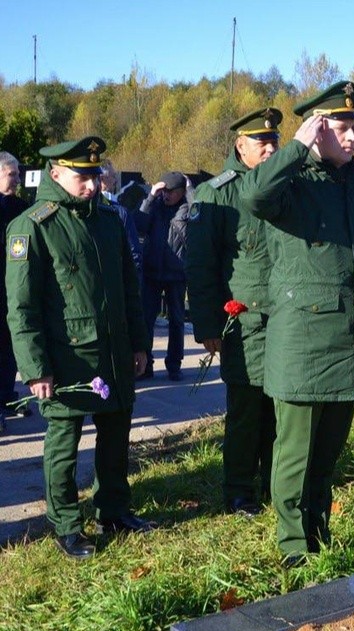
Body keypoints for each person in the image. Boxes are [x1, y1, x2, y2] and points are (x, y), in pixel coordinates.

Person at [239, 81, 354, 565]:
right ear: (316, 129)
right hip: (302, 343)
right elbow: (255, 197)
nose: (351, 137)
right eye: (339, 127)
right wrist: (297, 146)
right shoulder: (292, 185)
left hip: (347, 342)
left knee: (326, 455)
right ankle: (293, 544)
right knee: (295, 454)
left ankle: (317, 533)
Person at [4, 137, 154, 559]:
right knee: (64, 444)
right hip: (67, 358)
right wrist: (36, 369)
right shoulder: (33, 226)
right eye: (81, 176)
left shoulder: (109, 219)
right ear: (55, 175)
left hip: (113, 352)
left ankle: (114, 510)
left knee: (115, 436)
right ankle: (67, 524)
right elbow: (22, 307)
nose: (92, 184)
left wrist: (140, 343)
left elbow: (129, 289)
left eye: (94, 174)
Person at [186, 107, 282, 517]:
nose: (270, 147)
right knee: (246, 411)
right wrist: (209, 325)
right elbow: (202, 267)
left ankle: (276, 482)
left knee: (281, 408)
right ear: (240, 145)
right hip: (244, 322)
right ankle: (240, 490)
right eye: (262, 142)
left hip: (285, 319)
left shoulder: (283, 186)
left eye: (275, 140)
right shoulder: (216, 194)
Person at [136, 170, 192, 381]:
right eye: (164, 191)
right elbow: (139, 224)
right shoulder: (155, 207)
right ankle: (146, 364)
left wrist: (190, 189)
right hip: (152, 272)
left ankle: (174, 364)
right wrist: (151, 197)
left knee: (176, 321)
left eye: (171, 191)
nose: (166, 195)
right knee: (146, 319)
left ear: (180, 192)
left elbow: (201, 213)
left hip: (176, 273)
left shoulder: (187, 209)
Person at [0, 151, 30, 431]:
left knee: (9, 347)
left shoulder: (21, 208)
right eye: (13, 174)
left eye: (19, 173)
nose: (18, 179)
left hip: (12, 287)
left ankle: (8, 396)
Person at [99, 159, 143, 282]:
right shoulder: (120, 212)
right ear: (102, 179)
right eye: (113, 176)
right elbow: (133, 253)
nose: (116, 180)